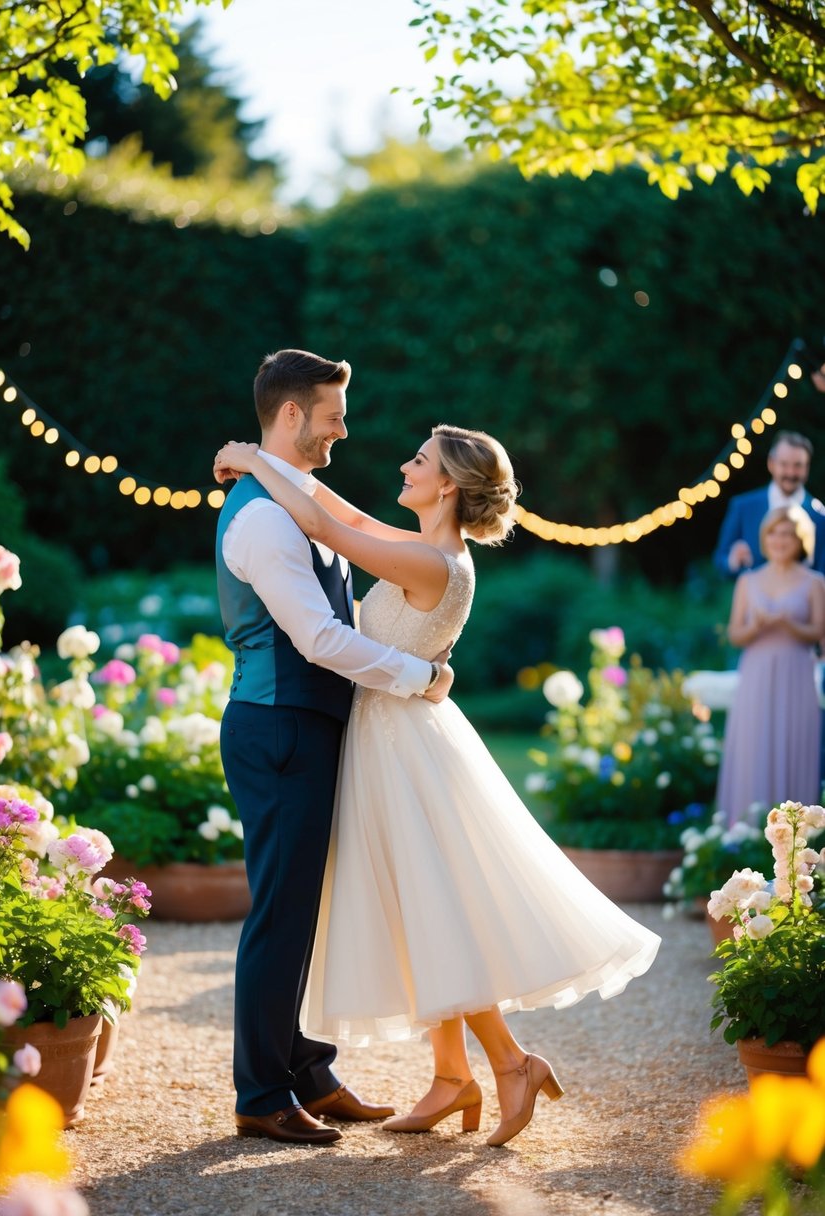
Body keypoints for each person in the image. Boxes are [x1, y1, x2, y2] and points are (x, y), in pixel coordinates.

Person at [214, 427, 661, 1149]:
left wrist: (251, 463)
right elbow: (345, 517)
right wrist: (257, 461)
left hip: (402, 748)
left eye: (418, 460)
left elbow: (326, 525)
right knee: (418, 909)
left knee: (431, 908)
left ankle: (509, 1062)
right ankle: (451, 1076)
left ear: (447, 484)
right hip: (391, 737)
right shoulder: (422, 548)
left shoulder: (432, 563)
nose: (402, 464)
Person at [215, 349, 456, 1148]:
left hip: (308, 725)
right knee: (281, 911)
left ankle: (308, 1069)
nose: (342, 432)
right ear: (292, 416)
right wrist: (416, 674)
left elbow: (337, 519)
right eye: (331, 416)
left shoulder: (295, 497)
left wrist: (246, 454)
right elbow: (317, 638)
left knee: (304, 909)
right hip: (277, 725)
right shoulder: (256, 517)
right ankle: (261, 1092)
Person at [715, 506, 825, 826]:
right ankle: (744, 833)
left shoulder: (815, 581)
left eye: (788, 532)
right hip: (757, 672)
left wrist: (790, 623)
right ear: (766, 537)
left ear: (800, 538)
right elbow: (736, 633)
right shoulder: (748, 582)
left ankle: (795, 839)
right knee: (754, 747)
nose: (780, 539)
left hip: (797, 672)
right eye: (775, 532)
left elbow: (819, 632)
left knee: (794, 744)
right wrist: (756, 626)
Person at [713, 431, 825, 578]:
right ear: (771, 464)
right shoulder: (743, 506)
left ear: (807, 467)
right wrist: (731, 561)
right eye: (784, 464)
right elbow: (720, 560)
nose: (791, 473)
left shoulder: (820, 516)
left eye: (798, 465)